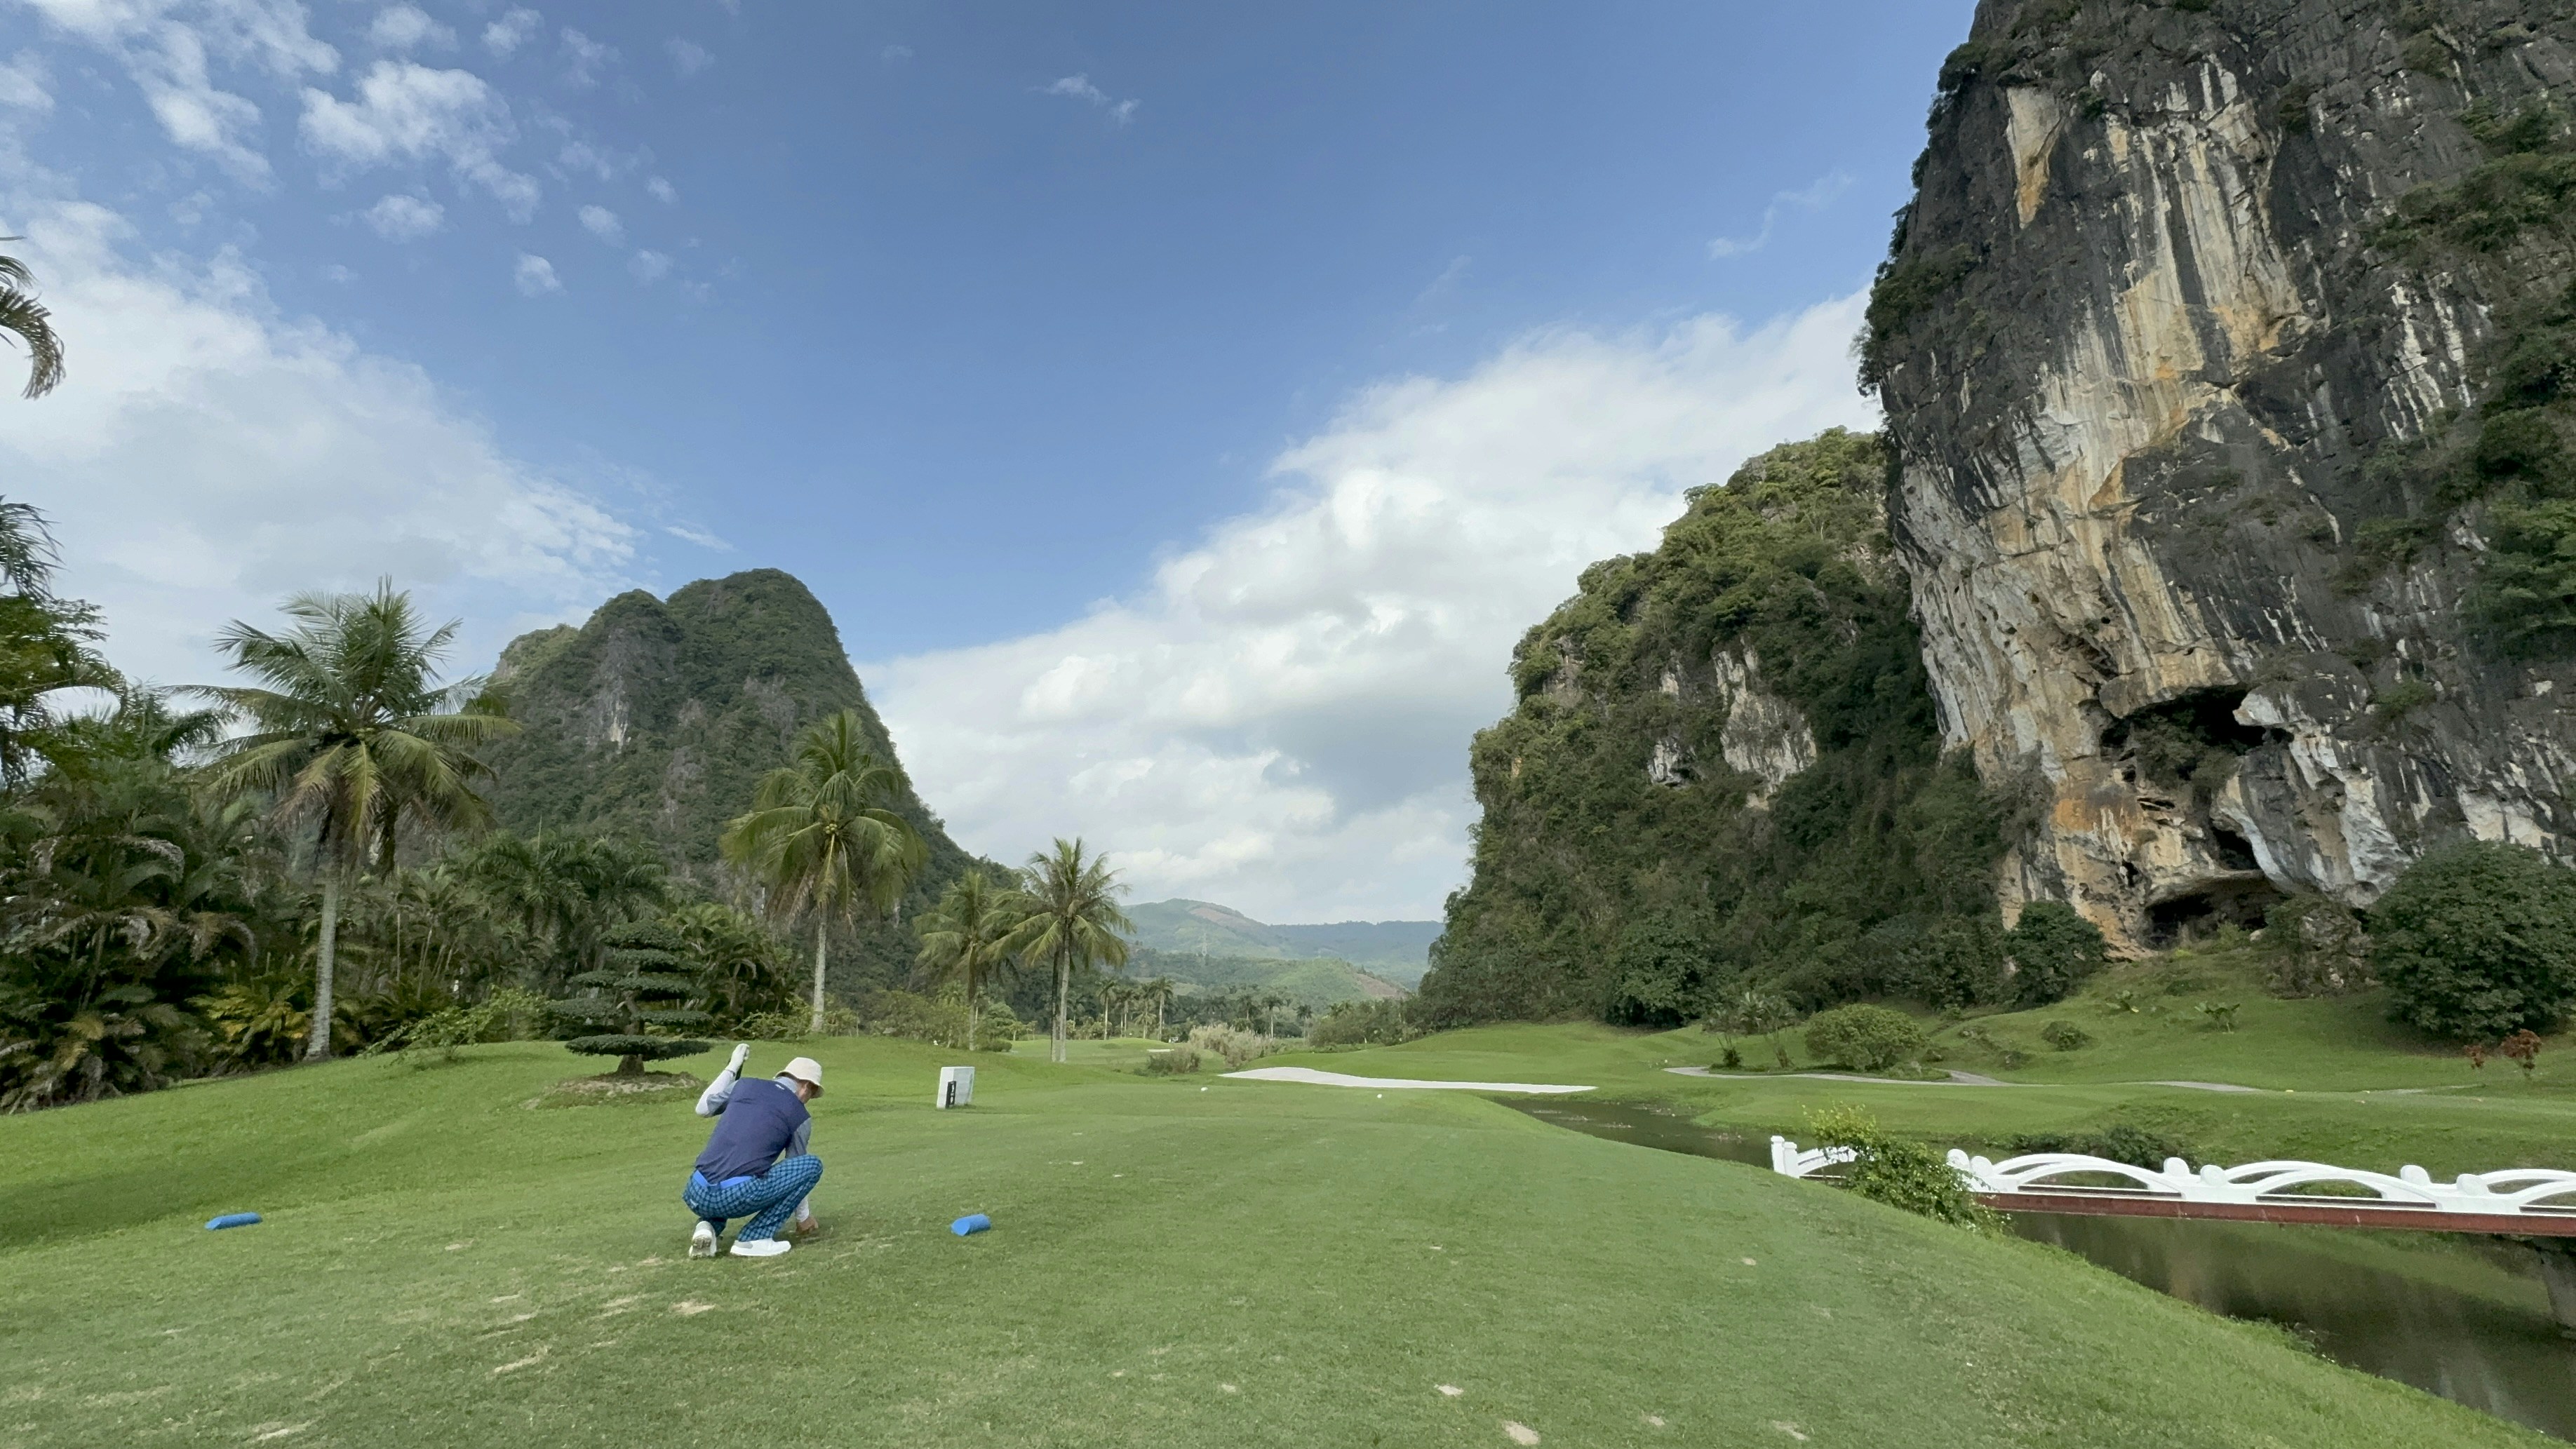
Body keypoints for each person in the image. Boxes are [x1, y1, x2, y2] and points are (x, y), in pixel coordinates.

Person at [684, 1045, 825, 1259]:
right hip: (736, 1195)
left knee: (728, 1172)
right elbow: (796, 1169)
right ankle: (754, 1238)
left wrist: (733, 1066)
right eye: (811, 1095)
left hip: (696, 1191)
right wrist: (803, 1217)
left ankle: (707, 1227)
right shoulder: (800, 1115)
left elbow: (702, 1109)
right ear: (807, 1087)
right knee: (812, 1165)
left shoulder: (743, 1085)